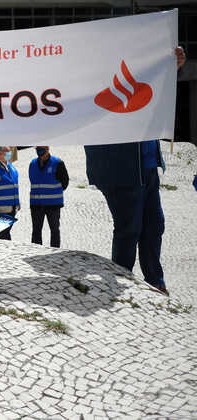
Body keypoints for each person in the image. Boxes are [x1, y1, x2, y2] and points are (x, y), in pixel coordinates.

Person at [84, 47, 186, 296]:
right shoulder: (96, 81)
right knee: (129, 229)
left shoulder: (135, 79)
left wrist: (172, 69)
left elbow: (155, 91)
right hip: (120, 168)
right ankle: (123, 282)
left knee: (155, 225)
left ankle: (154, 281)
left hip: (147, 164)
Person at [29, 146, 69, 248]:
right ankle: (36, 251)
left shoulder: (57, 163)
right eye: (38, 151)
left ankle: (54, 251)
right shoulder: (32, 164)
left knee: (55, 230)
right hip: (36, 204)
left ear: (48, 149)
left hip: (53, 204)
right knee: (36, 231)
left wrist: (53, 192)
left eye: (42, 151)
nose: (41, 155)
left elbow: (65, 182)